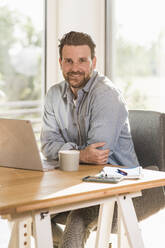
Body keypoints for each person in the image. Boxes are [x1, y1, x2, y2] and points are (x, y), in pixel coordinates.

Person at [41, 31, 139, 248]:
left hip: (120, 186)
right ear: (60, 63)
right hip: (75, 183)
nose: (75, 67)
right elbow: (47, 146)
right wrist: (81, 153)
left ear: (93, 62)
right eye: (69, 61)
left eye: (82, 60)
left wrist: (68, 152)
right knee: (33, 212)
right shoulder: (54, 95)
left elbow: (99, 157)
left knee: (76, 222)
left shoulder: (106, 96)